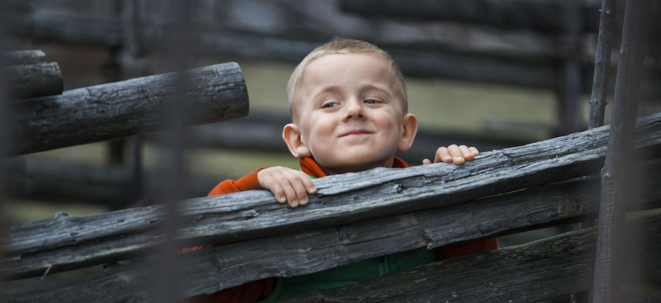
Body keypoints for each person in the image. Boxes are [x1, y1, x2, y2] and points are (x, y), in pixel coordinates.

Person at [184, 38, 497, 302]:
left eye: (372, 99)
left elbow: (482, 280)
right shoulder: (280, 205)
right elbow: (196, 283)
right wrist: (247, 192)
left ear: (404, 130)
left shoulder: (427, 201)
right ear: (298, 140)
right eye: (330, 104)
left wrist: (457, 193)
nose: (354, 110)